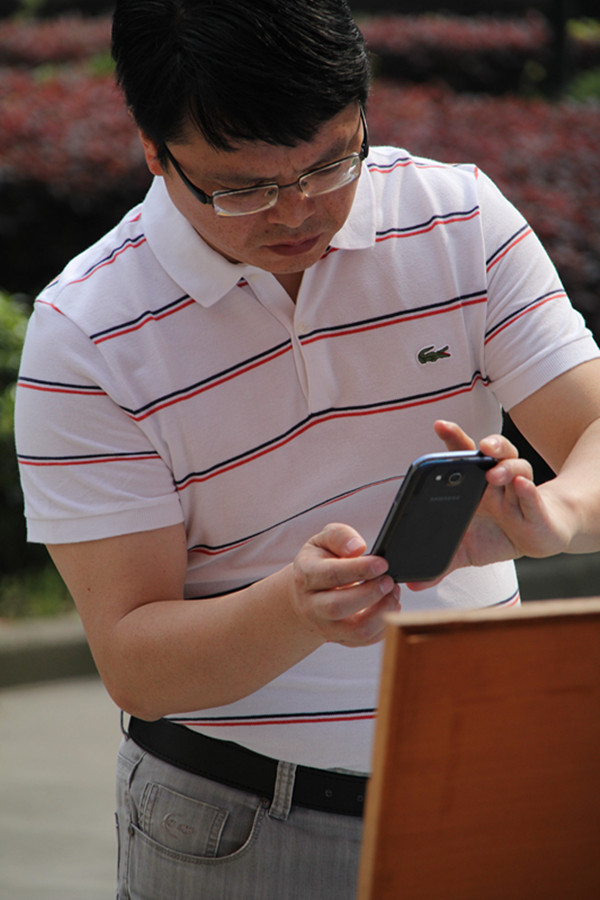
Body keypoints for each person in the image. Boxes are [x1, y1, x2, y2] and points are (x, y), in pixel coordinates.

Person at [14, 1, 600, 897]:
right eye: (242, 188)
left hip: (489, 780)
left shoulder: (456, 220)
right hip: (242, 824)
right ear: (154, 151)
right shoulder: (86, 335)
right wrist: (295, 609)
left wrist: (555, 514)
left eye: (330, 163)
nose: (297, 211)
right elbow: (135, 662)